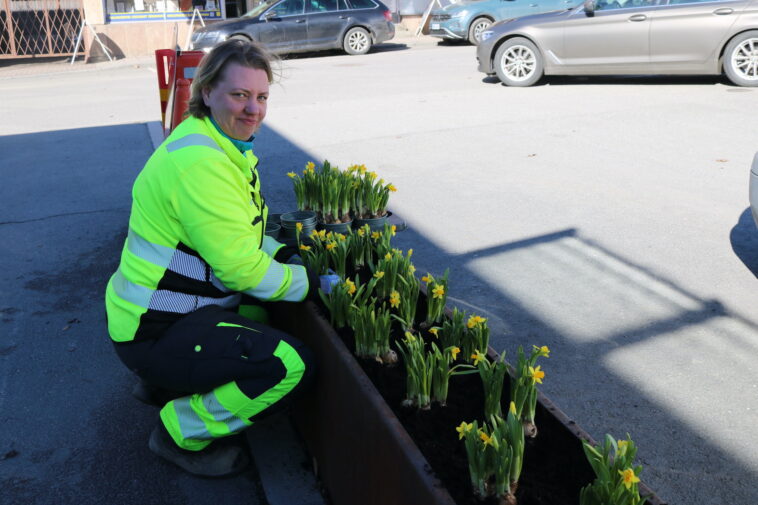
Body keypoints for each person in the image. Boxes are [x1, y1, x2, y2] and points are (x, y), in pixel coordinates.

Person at [105, 39, 335, 477]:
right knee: (289, 364)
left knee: (258, 315)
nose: (253, 109)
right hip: (154, 328)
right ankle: (179, 431)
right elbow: (242, 269)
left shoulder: (215, 143)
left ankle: (162, 383)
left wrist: (285, 253)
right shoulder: (203, 165)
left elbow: (240, 236)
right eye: (240, 94)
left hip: (152, 315)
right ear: (207, 92)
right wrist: (312, 281)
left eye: (261, 96)